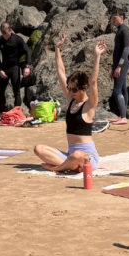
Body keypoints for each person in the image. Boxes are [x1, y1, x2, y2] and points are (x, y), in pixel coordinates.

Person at [32, 34, 103, 173]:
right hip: (70, 155)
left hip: (88, 158)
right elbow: (61, 72)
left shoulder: (89, 105)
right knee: (38, 149)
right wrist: (57, 48)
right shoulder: (71, 100)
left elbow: (93, 81)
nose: (71, 92)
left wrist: (97, 56)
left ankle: (58, 168)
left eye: (75, 89)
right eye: (70, 88)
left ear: (84, 88)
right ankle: (68, 165)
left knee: (77, 156)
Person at [0, 22, 32, 114]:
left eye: (6, 35)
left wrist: (27, 66)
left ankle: (17, 113)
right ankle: (1, 114)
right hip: (4, 69)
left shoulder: (17, 39)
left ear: (10, 31)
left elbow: (28, 52)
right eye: (3, 35)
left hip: (14, 67)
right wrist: (0, 70)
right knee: (1, 91)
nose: (5, 37)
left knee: (16, 92)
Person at [109, 8, 129, 125]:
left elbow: (126, 50)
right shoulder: (119, 30)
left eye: (115, 17)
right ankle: (122, 115)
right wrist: (113, 68)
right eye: (112, 17)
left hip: (122, 64)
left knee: (117, 90)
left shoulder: (125, 31)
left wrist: (118, 67)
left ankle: (123, 117)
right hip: (119, 65)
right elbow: (116, 52)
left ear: (121, 18)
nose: (113, 19)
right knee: (123, 89)